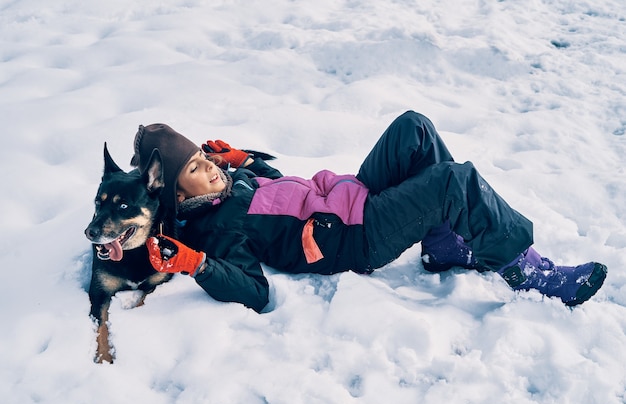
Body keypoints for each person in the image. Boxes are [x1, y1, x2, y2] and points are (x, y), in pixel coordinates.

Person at [130, 111, 607, 313]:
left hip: (349, 196)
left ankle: (443, 246)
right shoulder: (217, 229)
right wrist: (195, 264)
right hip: (351, 237)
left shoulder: (231, 185)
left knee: (412, 128)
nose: (209, 166)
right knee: (452, 182)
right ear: (175, 194)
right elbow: (253, 291)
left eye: (203, 157)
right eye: (195, 167)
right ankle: (524, 269)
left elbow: (276, 189)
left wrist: (245, 161)